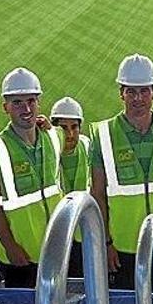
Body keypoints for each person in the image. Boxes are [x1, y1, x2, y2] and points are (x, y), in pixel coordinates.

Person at [90, 54, 153, 290]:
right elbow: (98, 194)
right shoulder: (103, 135)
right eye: (131, 91)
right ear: (121, 93)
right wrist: (106, 243)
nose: (137, 98)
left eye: (144, 91)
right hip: (122, 249)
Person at [0, 67, 64, 288]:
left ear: (39, 103)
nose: (26, 109)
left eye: (31, 101)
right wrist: (10, 247)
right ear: (5, 106)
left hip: (56, 250)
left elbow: (74, 144)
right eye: (17, 102)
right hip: (21, 258)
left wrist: (50, 127)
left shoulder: (52, 137)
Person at [50, 96, 90, 278]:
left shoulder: (88, 145)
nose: (70, 134)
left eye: (74, 127)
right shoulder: (46, 151)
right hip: (59, 237)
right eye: (63, 128)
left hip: (85, 235)